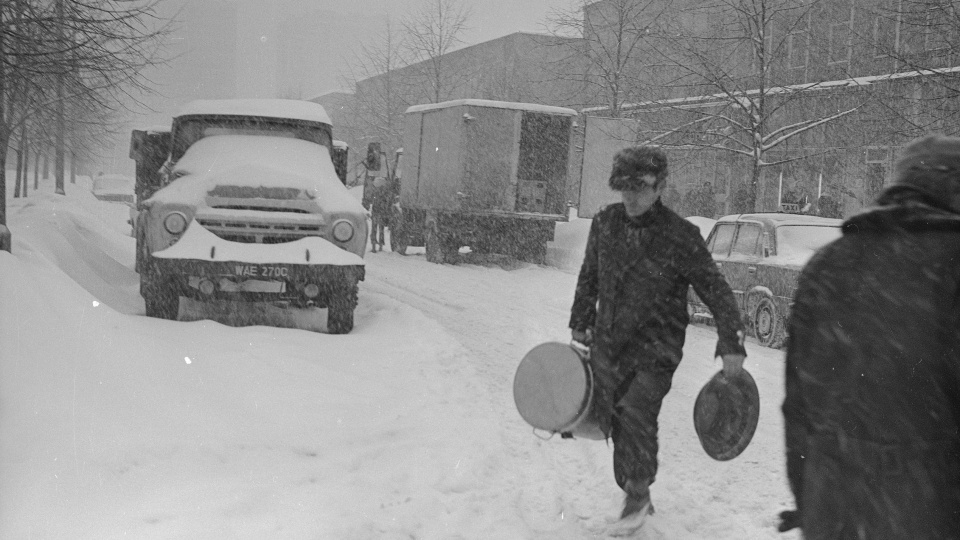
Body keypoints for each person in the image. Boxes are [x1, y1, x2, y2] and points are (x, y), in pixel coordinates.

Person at [781, 134, 960, 539]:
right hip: (930, 509)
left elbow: (799, 406)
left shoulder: (826, 264)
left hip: (836, 505)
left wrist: (811, 500)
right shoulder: (953, 266)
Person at [569, 146, 747, 536]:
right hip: (609, 343)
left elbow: (714, 288)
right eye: (623, 189)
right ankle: (636, 485)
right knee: (616, 418)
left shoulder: (681, 235)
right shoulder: (605, 223)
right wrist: (581, 321)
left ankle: (636, 492)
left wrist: (731, 342)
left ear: (660, 187)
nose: (630, 198)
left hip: (657, 349)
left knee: (636, 412)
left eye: (640, 188)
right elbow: (589, 277)